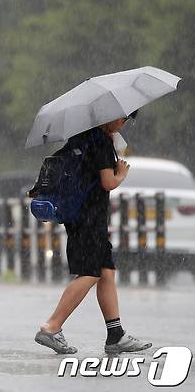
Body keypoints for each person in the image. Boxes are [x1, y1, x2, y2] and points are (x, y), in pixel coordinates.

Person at [34, 111, 152, 355]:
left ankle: (115, 334)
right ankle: (51, 327)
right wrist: (121, 173)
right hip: (89, 219)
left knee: (106, 271)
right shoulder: (100, 141)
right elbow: (108, 182)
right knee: (90, 273)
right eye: (122, 117)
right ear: (107, 116)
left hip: (80, 217)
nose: (124, 122)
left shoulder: (80, 139)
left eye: (128, 119)